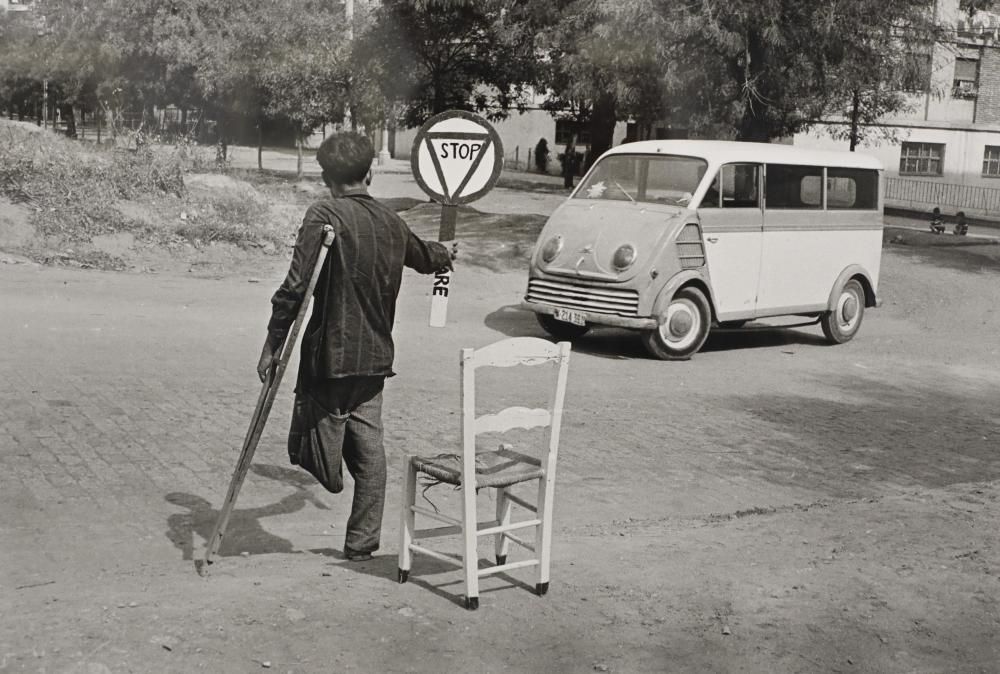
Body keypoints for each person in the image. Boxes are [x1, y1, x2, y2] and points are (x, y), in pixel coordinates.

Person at [258, 132, 455, 562]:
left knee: (311, 444)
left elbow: (293, 289)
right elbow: (424, 256)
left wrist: (272, 345)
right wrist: (445, 253)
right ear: (370, 172)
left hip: (327, 360)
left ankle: (326, 466)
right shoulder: (390, 221)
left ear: (325, 176)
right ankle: (362, 544)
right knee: (371, 460)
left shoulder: (323, 213)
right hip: (374, 362)